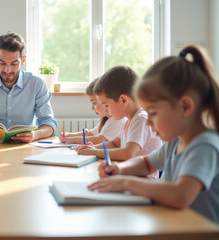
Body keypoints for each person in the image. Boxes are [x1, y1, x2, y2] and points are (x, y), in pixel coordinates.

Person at [88, 45, 219, 224]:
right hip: (175, 226)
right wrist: (120, 169)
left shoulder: (204, 146)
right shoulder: (174, 143)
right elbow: (146, 163)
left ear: (185, 107)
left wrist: (126, 183)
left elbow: (180, 195)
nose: (148, 123)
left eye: (153, 113)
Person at [75, 66, 162, 163]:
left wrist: (96, 151)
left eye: (107, 105)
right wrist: (90, 148)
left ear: (123, 100)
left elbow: (128, 153)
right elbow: (114, 144)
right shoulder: (128, 120)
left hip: (142, 177)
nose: (106, 110)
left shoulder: (141, 119)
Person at [59, 78, 126, 144]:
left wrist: (72, 139)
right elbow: (91, 134)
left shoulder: (116, 119)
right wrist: (68, 135)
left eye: (94, 103)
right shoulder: (106, 119)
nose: (92, 108)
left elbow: (99, 140)